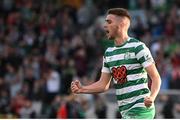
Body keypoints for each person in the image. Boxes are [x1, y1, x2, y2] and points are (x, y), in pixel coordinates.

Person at [71, 8, 161, 119]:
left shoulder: (138, 47)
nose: (105, 26)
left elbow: (156, 77)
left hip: (141, 109)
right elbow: (103, 85)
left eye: (109, 22)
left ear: (122, 24)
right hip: (125, 112)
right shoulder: (109, 53)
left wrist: (152, 97)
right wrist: (82, 89)